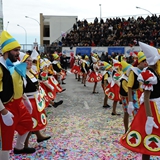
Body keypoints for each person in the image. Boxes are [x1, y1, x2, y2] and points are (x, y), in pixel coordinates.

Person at [120, 42, 160, 160]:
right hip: (151, 109)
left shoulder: (155, 73)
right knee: (146, 137)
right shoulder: (149, 74)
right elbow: (147, 98)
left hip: (157, 107)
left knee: (151, 137)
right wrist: (149, 118)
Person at [0, 31, 35, 160]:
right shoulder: (0, 67)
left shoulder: (14, 66)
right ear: (7, 51)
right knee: (5, 139)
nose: (18, 53)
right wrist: (3, 112)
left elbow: (18, 86)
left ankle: (19, 148)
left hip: (18, 104)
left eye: (19, 50)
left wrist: (25, 100)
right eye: (15, 50)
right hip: (6, 106)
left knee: (27, 124)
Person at [18, 52, 51, 147]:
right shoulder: (21, 73)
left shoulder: (30, 72)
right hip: (28, 100)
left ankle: (39, 136)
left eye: (30, 61)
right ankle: (25, 145)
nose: (29, 63)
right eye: (27, 61)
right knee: (30, 122)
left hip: (35, 100)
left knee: (35, 119)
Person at [127, 51, 147, 116]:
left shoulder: (144, 71)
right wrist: (130, 102)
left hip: (142, 95)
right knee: (137, 117)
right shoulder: (133, 72)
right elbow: (129, 87)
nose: (146, 63)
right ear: (140, 62)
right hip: (135, 95)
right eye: (145, 61)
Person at [119, 61, 132, 133]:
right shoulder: (124, 80)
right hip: (125, 99)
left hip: (129, 98)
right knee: (126, 113)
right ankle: (126, 129)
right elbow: (127, 91)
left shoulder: (128, 78)